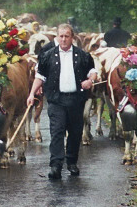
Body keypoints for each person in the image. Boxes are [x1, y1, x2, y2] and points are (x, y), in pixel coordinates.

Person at [26, 23, 97, 179]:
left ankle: (71, 162)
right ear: (57, 37)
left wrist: (90, 81)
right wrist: (31, 94)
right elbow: (40, 76)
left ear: (72, 38)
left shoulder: (83, 55)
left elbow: (92, 72)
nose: (63, 39)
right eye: (61, 36)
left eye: (67, 36)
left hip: (76, 100)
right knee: (57, 131)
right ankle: (56, 165)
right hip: (56, 100)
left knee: (75, 132)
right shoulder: (47, 55)